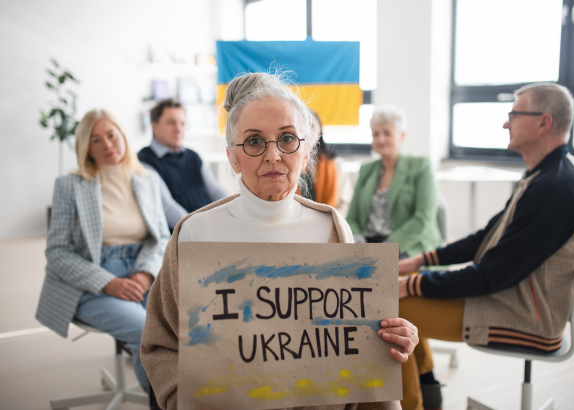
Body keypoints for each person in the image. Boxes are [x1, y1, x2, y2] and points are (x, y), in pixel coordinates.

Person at [141, 72, 420, 410]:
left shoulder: (331, 227)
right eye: (254, 141)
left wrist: (390, 339)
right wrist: (181, 400)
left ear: (305, 152)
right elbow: (161, 346)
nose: (273, 155)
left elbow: (357, 347)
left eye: (288, 139)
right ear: (232, 156)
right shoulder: (195, 233)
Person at [396, 83, 574, 410]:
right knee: (405, 293)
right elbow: (485, 238)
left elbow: (490, 276)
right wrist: (420, 260)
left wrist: (411, 283)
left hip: (527, 318)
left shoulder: (554, 189)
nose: (507, 123)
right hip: (518, 298)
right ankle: (428, 391)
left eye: (515, 114)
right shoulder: (544, 175)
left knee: (391, 309)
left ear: (544, 122)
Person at [36, 109, 171, 396]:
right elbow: (58, 253)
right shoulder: (69, 186)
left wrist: (146, 274)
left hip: (140, 272)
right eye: (96, 140)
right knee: (146, 331)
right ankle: (160, 402)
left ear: (123, 136)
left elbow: (160, 236)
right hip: (90, 281)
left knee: (179, 326)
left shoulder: (146, 179)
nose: (108, 145)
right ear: (86, 147)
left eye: (112, 135)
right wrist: (107, 282)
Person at [346, 106, 442, 258]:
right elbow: (352, 217)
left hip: (407, 245)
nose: (381, 139)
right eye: (376, 134)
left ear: (402, 136)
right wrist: (358, 243)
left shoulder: (421, 166)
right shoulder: (366, 170)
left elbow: (423, 217)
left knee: (380, 276)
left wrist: (387, 249)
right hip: (367, 244)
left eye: (387, 133)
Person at [138, 98, 228, 230]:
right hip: (183, 235)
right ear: (154, 127)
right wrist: (199, 230)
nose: (178, 129)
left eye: (182, 123)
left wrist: (235, 214)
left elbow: (216, 192)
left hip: (209, 227)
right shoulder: (144, 161)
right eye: (171, 123)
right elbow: (167, 207)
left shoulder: (193, 156)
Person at [298, 110, 339, 207]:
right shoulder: (286, 160)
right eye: (303, 127)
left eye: (311, 127)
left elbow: (337, 202)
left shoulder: (332, 162)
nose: (307, 132)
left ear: (319, 132)